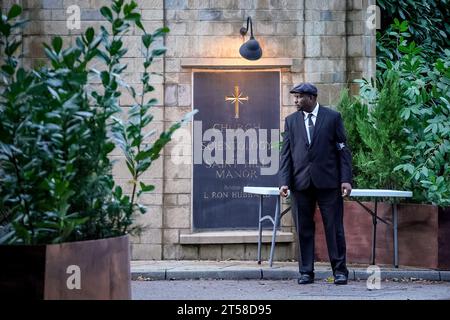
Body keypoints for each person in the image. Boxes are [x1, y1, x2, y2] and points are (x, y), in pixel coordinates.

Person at [279, 82, 353, 285]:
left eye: (299, 97)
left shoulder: (332, 117)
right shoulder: (291, 121)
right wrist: (284, 182)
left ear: (311, 98)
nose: (296, 101)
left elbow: (342, 150)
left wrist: (346, 179)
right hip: (300, 184)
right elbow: (285, 154)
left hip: (329, 183)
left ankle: (340, 271)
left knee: (334, 228)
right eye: (294, 97)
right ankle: (305, 272)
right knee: (303, 228)